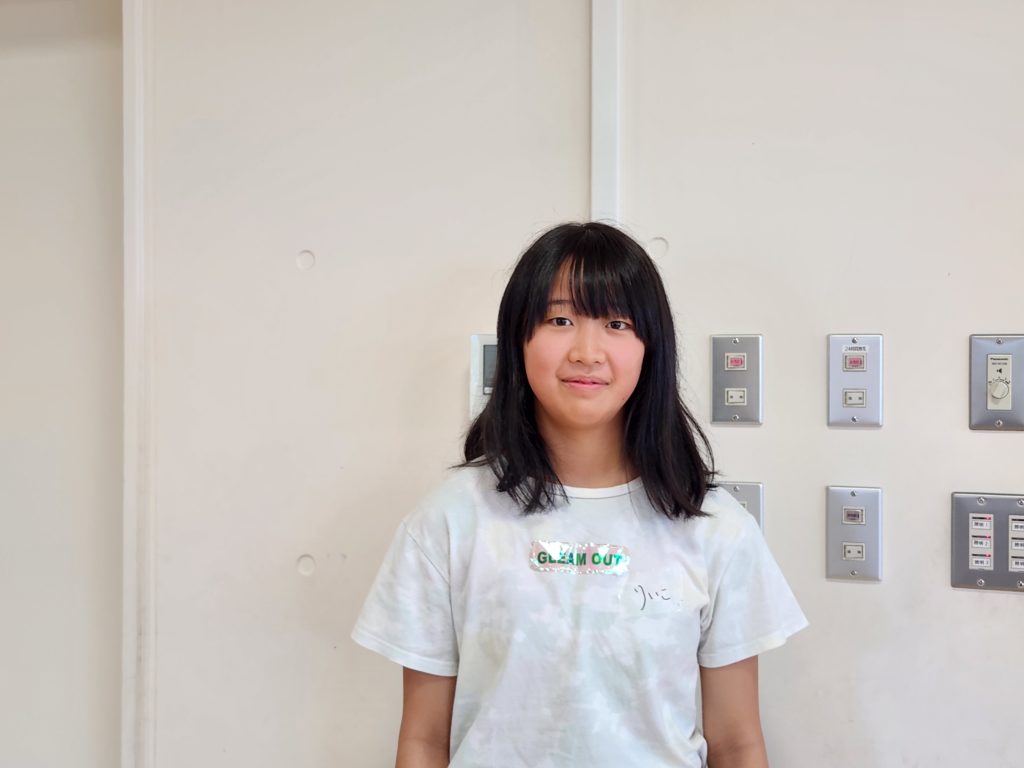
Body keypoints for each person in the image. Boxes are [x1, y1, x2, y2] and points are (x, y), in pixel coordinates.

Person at [351, 222, 808, 767]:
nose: (588, 352)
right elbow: (424, 741)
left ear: (650, 348)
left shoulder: (716, 528)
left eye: (617, 323)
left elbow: (736, 744)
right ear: (518, 339)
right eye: (560, 320)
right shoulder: (449, 522)